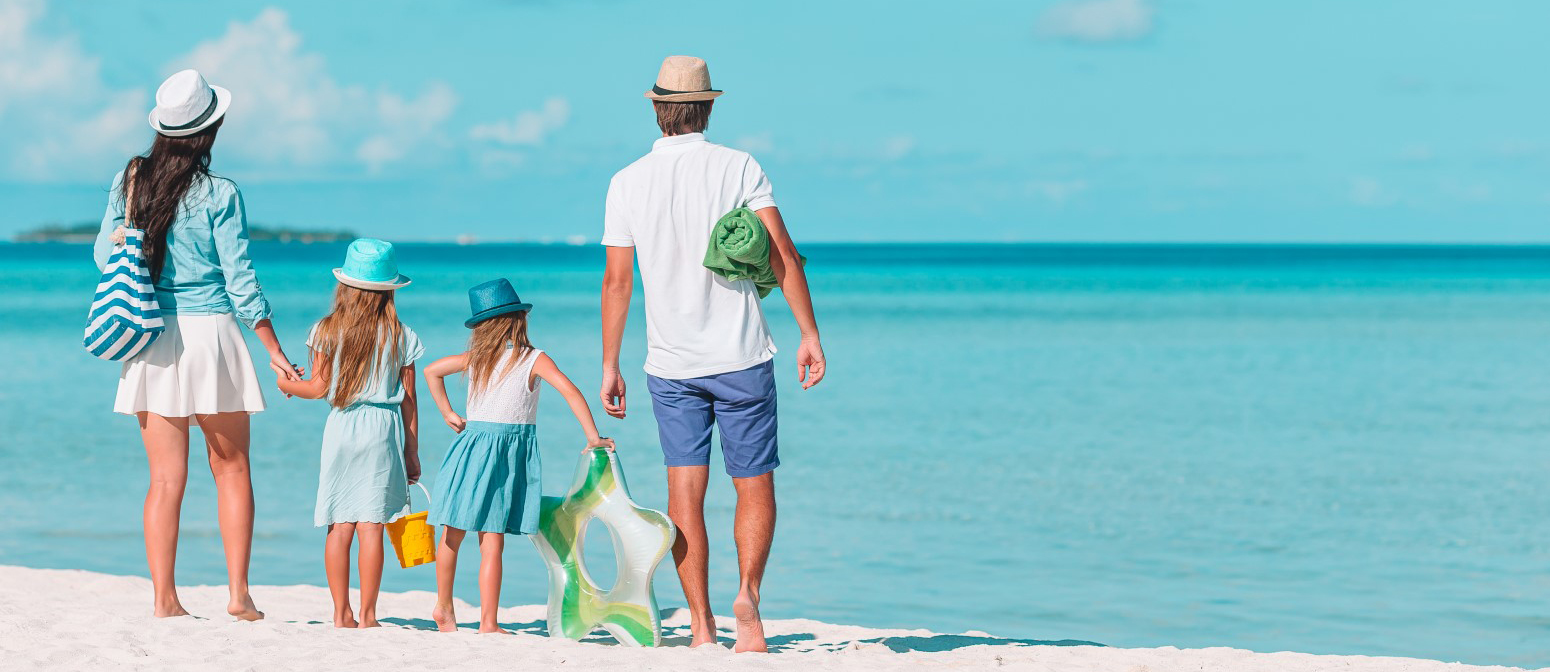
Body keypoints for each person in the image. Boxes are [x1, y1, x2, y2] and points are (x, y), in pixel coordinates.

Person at [598, 55, 826, 652]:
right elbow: (782, 253)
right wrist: (808, 333)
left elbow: (617, 282)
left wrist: (610, 364)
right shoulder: (738, 166)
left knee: (684, 492)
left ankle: (701, 625)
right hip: (742, 354)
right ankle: (747, 596)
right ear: (707, 107)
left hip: (671, 364)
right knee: (753, 483)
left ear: (657, 108)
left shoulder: (626, 182)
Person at [93, 69, 300, 621]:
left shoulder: (130, 181)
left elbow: (103, 257)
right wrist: (274, 350)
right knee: (232, 470)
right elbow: (241, 281)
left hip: (151, 336)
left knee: (165, 480)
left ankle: (165, 600)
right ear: (210, 129)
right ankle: (238, 595)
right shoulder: (221, 194)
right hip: (213, 338)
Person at [423, 279, 615, 634]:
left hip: (470, 449)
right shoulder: (532, 359)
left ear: (481, 327)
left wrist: (447, 412)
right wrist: (593, 437)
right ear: (518, 320)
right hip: (504, 455)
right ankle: (487, 622)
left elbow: (431, 370)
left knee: (452, 531)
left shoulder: (476, 359)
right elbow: (570, 391)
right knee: (491, 539)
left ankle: (444, 607)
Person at [275, 239, 422, 629]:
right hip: (383, 430)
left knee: (340, 525)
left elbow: (317, 389)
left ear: (345, 286)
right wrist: (411, 451)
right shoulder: (402, 335)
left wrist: (285, 383)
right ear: (389, 290)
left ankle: (341, 613)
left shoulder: (326, 330)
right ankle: (369, 615)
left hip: (342, 428)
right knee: (372, 526)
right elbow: (409, 400)